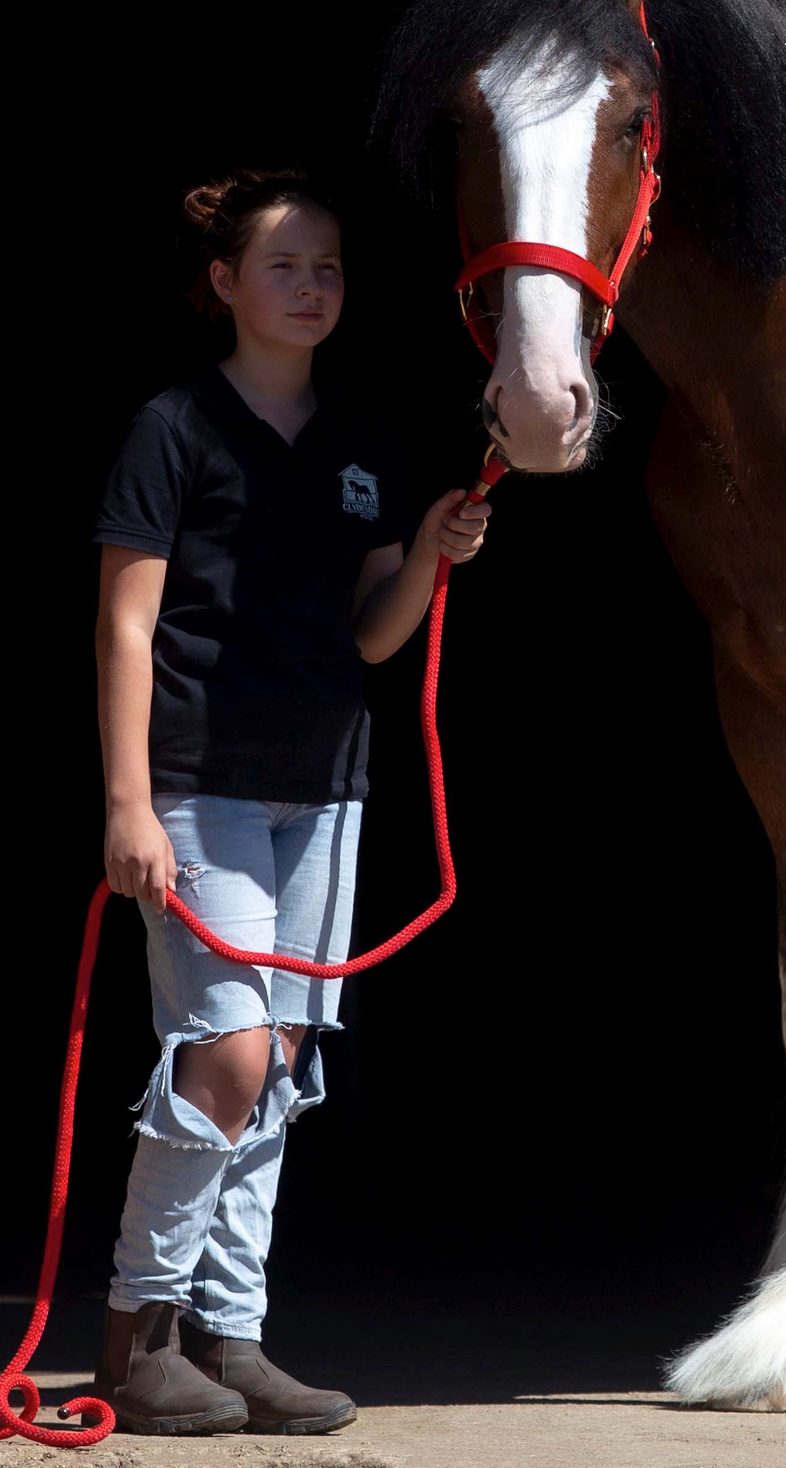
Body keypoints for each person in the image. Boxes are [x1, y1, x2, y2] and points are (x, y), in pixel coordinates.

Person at [88, 171, 488, 1436]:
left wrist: (428, 550)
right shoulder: (173, 428)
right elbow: (125, 622)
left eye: (327, 268)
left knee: (286, 1063)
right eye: (283, 265)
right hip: (199, 782)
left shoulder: (365, 436)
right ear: (222, 283)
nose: (311, 287)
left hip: (324, 789)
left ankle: (231, 1334)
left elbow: (376, 639)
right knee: (227, 1050)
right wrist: (126, 803)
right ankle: (135, 1333)